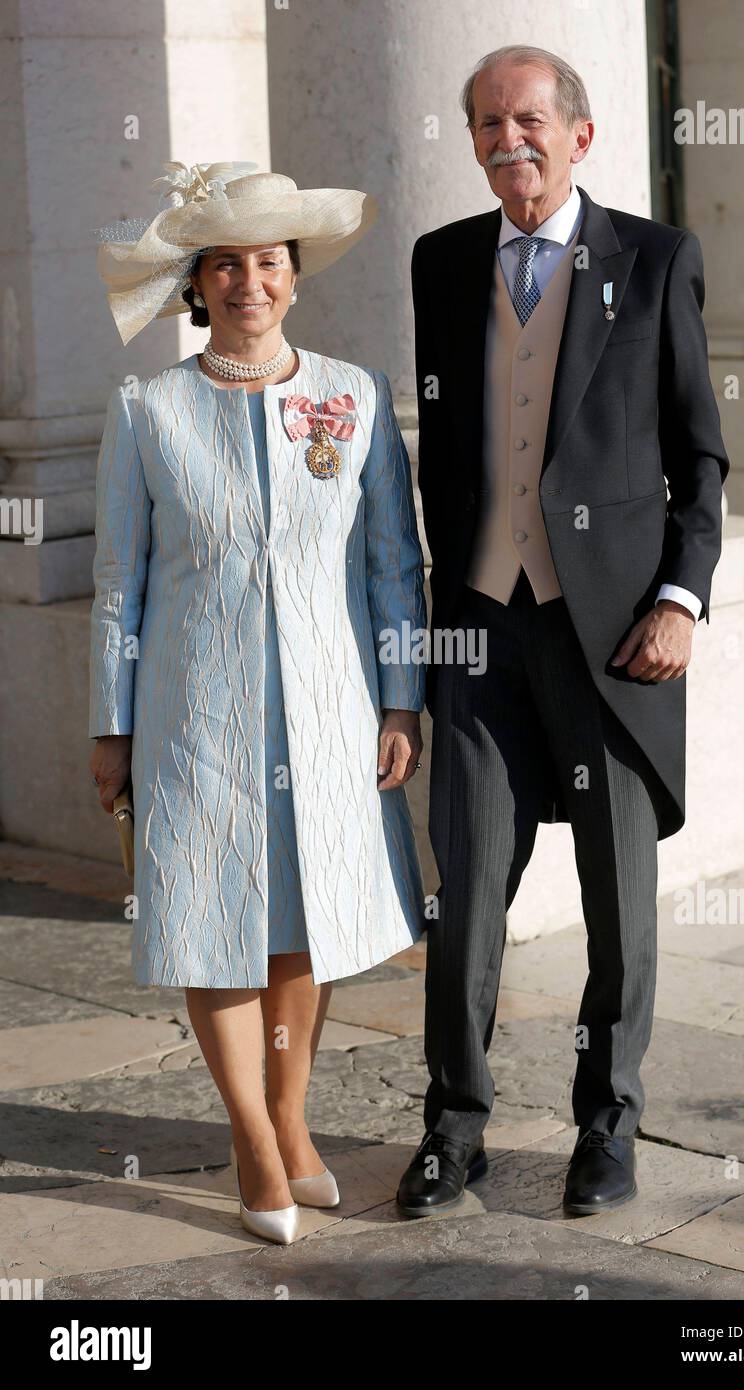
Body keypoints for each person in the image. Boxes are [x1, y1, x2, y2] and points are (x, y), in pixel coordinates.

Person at [398, 47, 729, 1217]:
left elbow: (698, 456)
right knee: (465, 889)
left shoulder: (652, 258)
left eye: (528, 120)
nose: (507, 140)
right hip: (480, 628)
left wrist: (679, 601)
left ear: (578, 135)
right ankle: (453, 1127)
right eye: (486, 122)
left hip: (612, 638)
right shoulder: (441, 263)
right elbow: (444, 459)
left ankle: (608, 1130)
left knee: (615, 903)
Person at [89, 162, 427, 1244]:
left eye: (268, 262)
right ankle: (248, 1136)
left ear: (294, 275)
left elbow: (393, 566)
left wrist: (401, 698)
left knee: (301, 919)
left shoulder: (353, 392)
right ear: (198, 284)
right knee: (208, 920)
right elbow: (118, 582)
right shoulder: (149, 409)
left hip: (328, 706)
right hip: (195, 712)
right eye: (225, 265)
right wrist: (111, 725)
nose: (249, 282)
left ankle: (290, 1116)